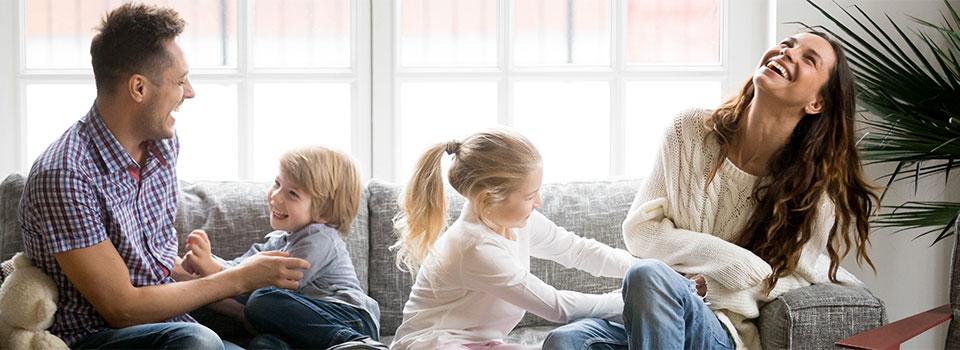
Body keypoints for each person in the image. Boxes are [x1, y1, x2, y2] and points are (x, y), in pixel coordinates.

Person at [543, 31, 877, 350]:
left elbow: (795, 278)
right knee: (566, 341)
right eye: (786, 44)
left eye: (809, 59)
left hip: (722, 333)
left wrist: (712, 285)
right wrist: (731, 261)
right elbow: (640, 232)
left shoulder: (815, 192)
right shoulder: (689, 131)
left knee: (649, 274)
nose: (787, 52)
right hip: (654, 315)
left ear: (817, 103)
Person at [18, 3, 309, 348]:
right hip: (97, 336)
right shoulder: (65, 175)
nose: (190, 92)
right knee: (198, 341)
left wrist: (246, 295)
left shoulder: (161, 148)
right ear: (138, 88)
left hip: (171, 322)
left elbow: (155, 263)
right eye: (180, 81)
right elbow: (121, 308)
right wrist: (239, 278)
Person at [389, 129, 639, 350]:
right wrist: (628, 301)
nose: (538, 201)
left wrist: (642, 267)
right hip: (433, 344)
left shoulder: (520, 222)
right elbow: (556, 306)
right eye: (530, 196)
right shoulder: (475, 248)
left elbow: (576, 250)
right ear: (487, 200)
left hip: (478, 343)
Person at [182, 146, 387, 350]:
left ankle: (358, 344)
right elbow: (239, 269)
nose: (276, 197)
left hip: (350, 319)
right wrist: (206, 261)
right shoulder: (277, 241)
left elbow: (255, 284)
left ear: (325, 212)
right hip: (305, 328)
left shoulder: (319, 239)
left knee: (262, 301)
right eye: (277, 183)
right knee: (263, 344)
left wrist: (213, 270)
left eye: (292, 194)